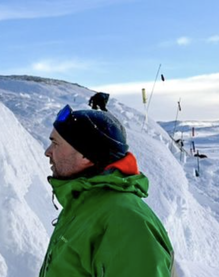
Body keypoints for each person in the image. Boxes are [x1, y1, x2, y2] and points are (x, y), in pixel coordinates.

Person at [40, 105, 176, 276]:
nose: (47, 152)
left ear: (87, 155)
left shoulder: (125, 221)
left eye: (55, 144)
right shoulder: (83, 204)